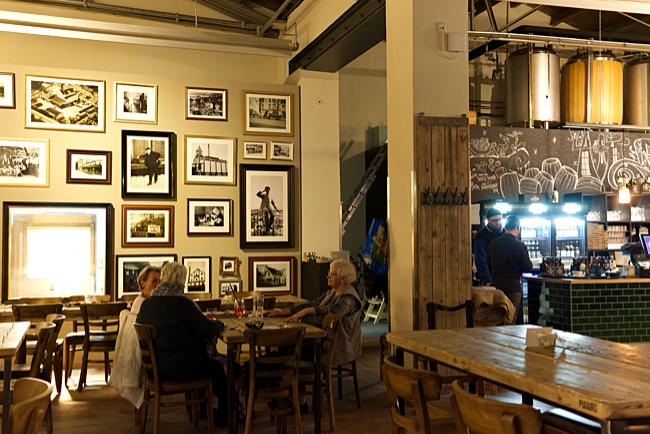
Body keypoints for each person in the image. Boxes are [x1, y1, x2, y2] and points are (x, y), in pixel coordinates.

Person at [136, 262, 228, 424]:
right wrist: (221, 324)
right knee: (219, 368)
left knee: (202, 360)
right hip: (181, 369)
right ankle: (223, 416)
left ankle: (204, 411)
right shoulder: (182, 303)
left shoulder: (147, 305)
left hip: (155, 369)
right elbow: (207, 329)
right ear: (181, 281)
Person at [266, 259, 362, 366]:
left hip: (337, 347)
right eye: (328, 273)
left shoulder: (350, 298)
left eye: (332, 274)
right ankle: (264, 374)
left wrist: (307, 311)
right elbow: (311, 304)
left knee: (291, 351)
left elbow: (333, 310)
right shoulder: (332, 292)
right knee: (286, 345)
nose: (328, 276)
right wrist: (279, 313)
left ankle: (265, 375)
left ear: (343, 279)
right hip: (323, 340)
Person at [109, 265, 160, 407]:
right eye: (154, 281)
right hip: (151, 363)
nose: (158, 285)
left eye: (160, 282)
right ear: (142, 283)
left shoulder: (142, 302)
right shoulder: (144, 305)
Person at [486, 214, 532, 318]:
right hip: (513, 288)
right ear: (518, 228)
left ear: (505, 228)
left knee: (497, 319)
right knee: (510, 319)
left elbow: (488, 264)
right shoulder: (520, 246)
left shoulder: (493, 244)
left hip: (496, 287)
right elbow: (527, 267)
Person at [473, 207, 504, 285]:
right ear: (488, 220)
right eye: (494, 220)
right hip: (490, 277)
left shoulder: (504, 233)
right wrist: (487, 280)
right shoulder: (481, 236)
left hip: (505, 278)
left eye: (499, 219)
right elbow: (480, 261)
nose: (498, 222)